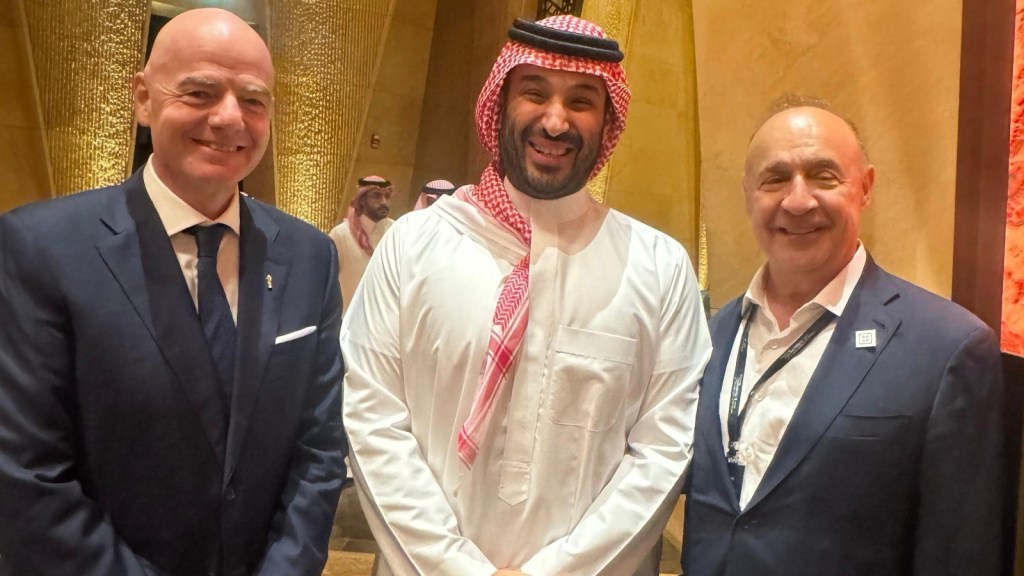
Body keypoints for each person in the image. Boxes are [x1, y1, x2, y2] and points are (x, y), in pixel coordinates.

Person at [341, 15, 711, 576]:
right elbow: (372, 421)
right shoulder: (412, 245)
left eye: (581, 101)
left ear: (608, 120)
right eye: (534, 93)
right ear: (500, 103)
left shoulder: (659, 267)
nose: (555, 121)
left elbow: (663, 450)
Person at [0, 8, 346, 576]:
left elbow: (320, 448)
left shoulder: (310, 257)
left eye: (253, 100)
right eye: (200, 92)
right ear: (143, 98)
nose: (230, 118)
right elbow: (24, 474)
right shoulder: (40, 248)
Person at [680, 98, 1006, 576]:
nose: (798, 201)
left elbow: (962, 553)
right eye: (775, 179)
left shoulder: (947, 348)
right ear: (748, 194)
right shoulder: (708, 337)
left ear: (865, 187)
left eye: (823, 175)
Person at [328, 175, 394, 315]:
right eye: (376, 196)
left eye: (387, 196)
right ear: (362, 199)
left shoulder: (396, 231)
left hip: (386, 320)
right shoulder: (341, 234)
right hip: (349, 320)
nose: (384, 202)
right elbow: (326, 281)